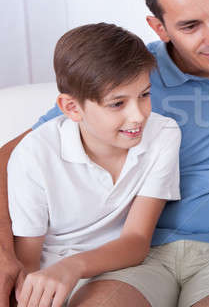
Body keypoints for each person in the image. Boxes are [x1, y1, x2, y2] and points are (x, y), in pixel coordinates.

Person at [0, 0, 209, 307]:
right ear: (159, 26)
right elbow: (11, 158)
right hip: (139, 252)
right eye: (190, 25)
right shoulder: (129, 76)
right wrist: (3, 251)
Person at [8, 23, 181, 306]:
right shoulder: (34, 156)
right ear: (72, 108)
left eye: (144, 95)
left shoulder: (164, 134)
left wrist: (73, 267)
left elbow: (137, 240)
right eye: (117, 104)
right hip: (49, 279)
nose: (138, 116)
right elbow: (27, 263)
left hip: (116, 270)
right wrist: (57, 276)